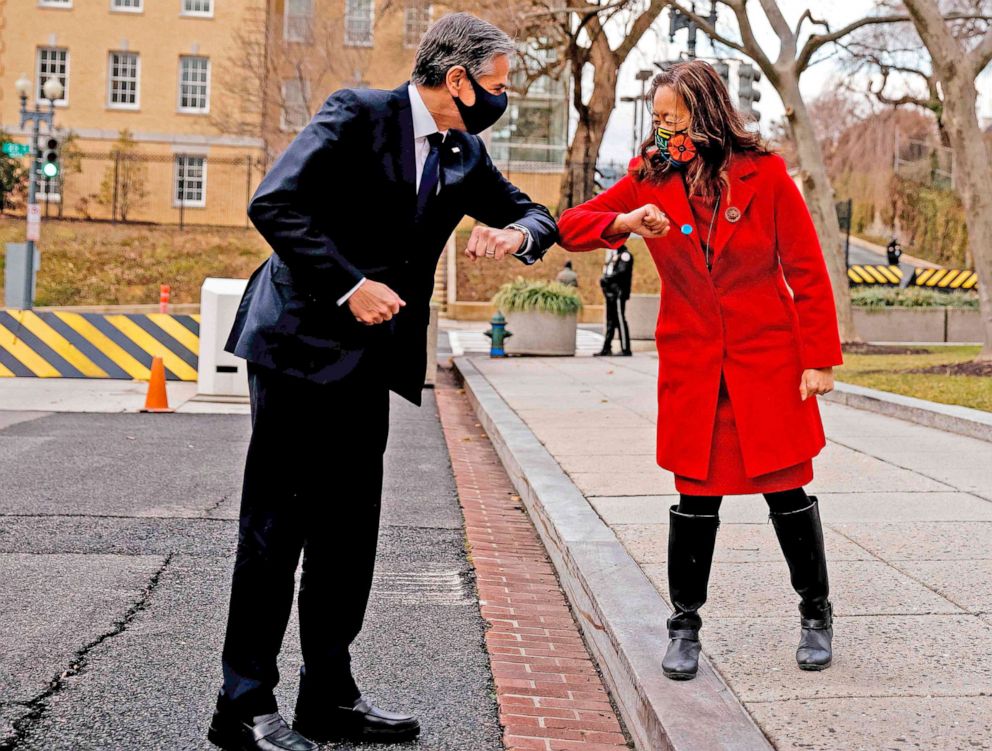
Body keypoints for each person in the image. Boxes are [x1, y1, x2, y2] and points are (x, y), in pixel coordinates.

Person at [212, 13, 558, 751]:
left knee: (348, 535)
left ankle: (327, 696)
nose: (503, 100)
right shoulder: (355, 113)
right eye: (496, 86)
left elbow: (537, 211)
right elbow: (274, 204)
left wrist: (516, 232)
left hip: (370, 364)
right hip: (297, 346)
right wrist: (350, 285)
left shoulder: (464, 153)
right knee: (276, 533)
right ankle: (241, 705)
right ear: (456, 79)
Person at [556, 60, 843, 681]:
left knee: (787, 490)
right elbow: (571, 227)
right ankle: (684, 626)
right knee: (695, 497)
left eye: (671, 117)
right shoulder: (648, 177)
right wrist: (626, 222)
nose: (661, 128)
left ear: (705, 112)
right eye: (656, 118)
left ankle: (815, 613)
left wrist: (819, 357)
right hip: (693, 364)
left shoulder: (763, 174)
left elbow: (807, 268)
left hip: (765, 361)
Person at [596, 244, 633, 357]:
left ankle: (626, 349)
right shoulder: (615, 255)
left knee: (620, 320)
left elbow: (622, 272)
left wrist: (607, 278)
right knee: (610, 321)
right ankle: (606, 348)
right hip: (611, 293)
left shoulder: (625, 255)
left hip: (618, 293)